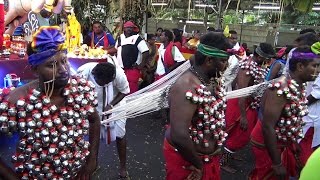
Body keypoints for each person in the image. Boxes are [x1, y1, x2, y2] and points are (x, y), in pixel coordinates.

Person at [0, 26, 100, 179]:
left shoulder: (80, 90)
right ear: (35, 70)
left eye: (64, 61)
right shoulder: (17, 101)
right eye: (51, 65)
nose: (63, 70)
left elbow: (94, 120)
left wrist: (92, 160)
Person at [163, 32, 231, 180]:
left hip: (207, 159)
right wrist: (198, 165)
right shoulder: (185, 86)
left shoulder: (212, 78)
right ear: (209, 60)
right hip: (189, 163)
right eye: (223, 61)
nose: (227, 65)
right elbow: (179, 135)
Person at [249, 46, 320, 179]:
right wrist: (276, 163)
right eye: (315, 66)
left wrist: (293, 143)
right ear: (300, 66)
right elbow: (267, 126)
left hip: (281, 142)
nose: (318, 70)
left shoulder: (299, 85)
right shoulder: (280, 89)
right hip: (266, 144)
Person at [222, 43, 275, 173]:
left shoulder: (257, 65)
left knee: (240, 134)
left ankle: (230, 155)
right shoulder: (247, 66)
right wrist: (243, 117)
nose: (269, 61)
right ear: (260, 56)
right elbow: (242, 92)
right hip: (241, 105)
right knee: (241, 134)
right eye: (267, 58)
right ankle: (223, 161)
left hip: (249, 104)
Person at [77, 60, 130, 179]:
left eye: (106, 83)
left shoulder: (119, 75)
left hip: (116, 106)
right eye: (101, 83)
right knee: (93, 135)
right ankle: (93, 164)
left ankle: (123, 167)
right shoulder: (84, 72)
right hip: (93, 107)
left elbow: (124, 91)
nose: (103, 85)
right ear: (94, 75)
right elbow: (76, 90)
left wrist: (111, 105)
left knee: (120, 135)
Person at [115, 21, 149, 94]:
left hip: (132, 69)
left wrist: (141, 65)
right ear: (124, 28)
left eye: (131, 27)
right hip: (121, 69)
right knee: (121, 89)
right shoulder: (120, 38)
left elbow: (145, 52)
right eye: (127, 27)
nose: (129, 29)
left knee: (131, 90)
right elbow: (116, 50)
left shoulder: (137, 38)